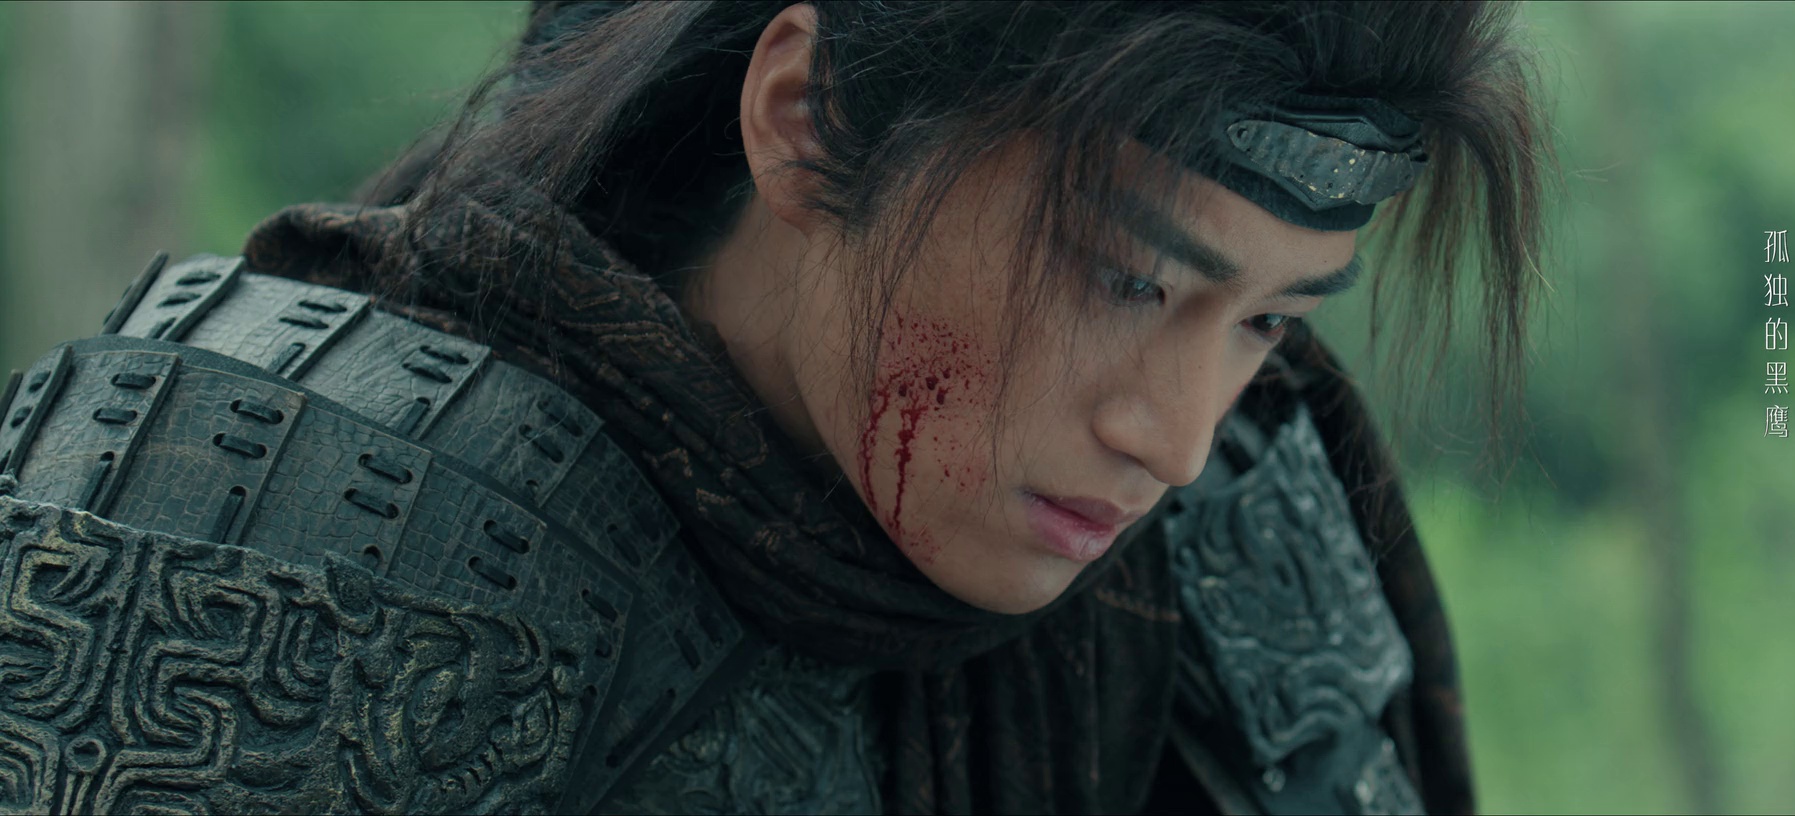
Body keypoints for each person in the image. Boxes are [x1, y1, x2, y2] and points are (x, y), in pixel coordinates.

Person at [0, 1, 1548, 813]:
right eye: (1120, 278)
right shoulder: (291, 518)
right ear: (805, 119)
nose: (1175, 436)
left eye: (1265, 320)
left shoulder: (1217, 534)